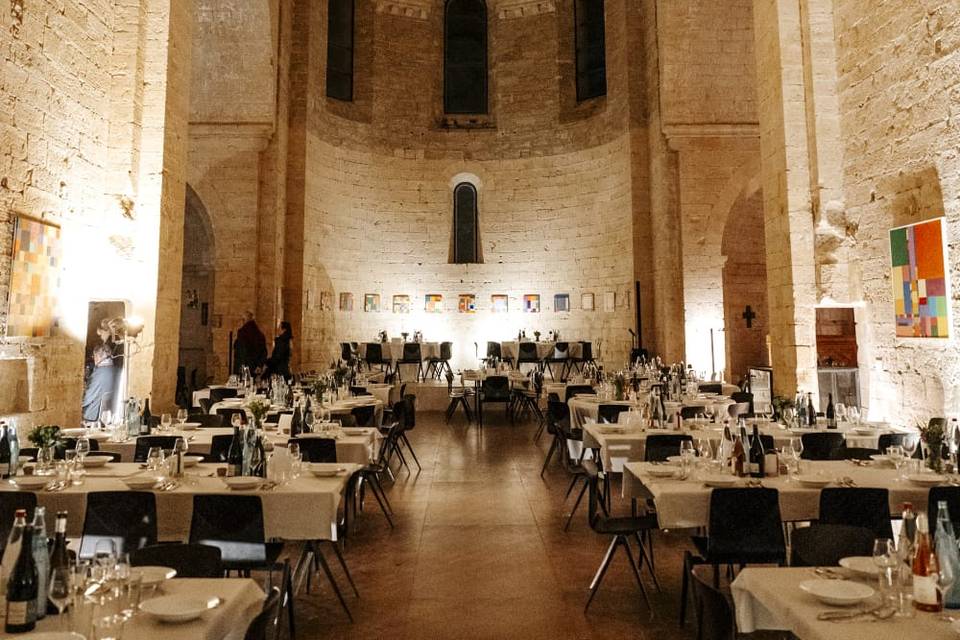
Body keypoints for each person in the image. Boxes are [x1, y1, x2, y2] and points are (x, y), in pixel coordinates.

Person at [81, 320, 121, 422]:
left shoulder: (98, 374)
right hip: (113, 414)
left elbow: (86, 400)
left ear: (98, 356)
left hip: (94, 415)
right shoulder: (119, 371)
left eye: (94, 356)